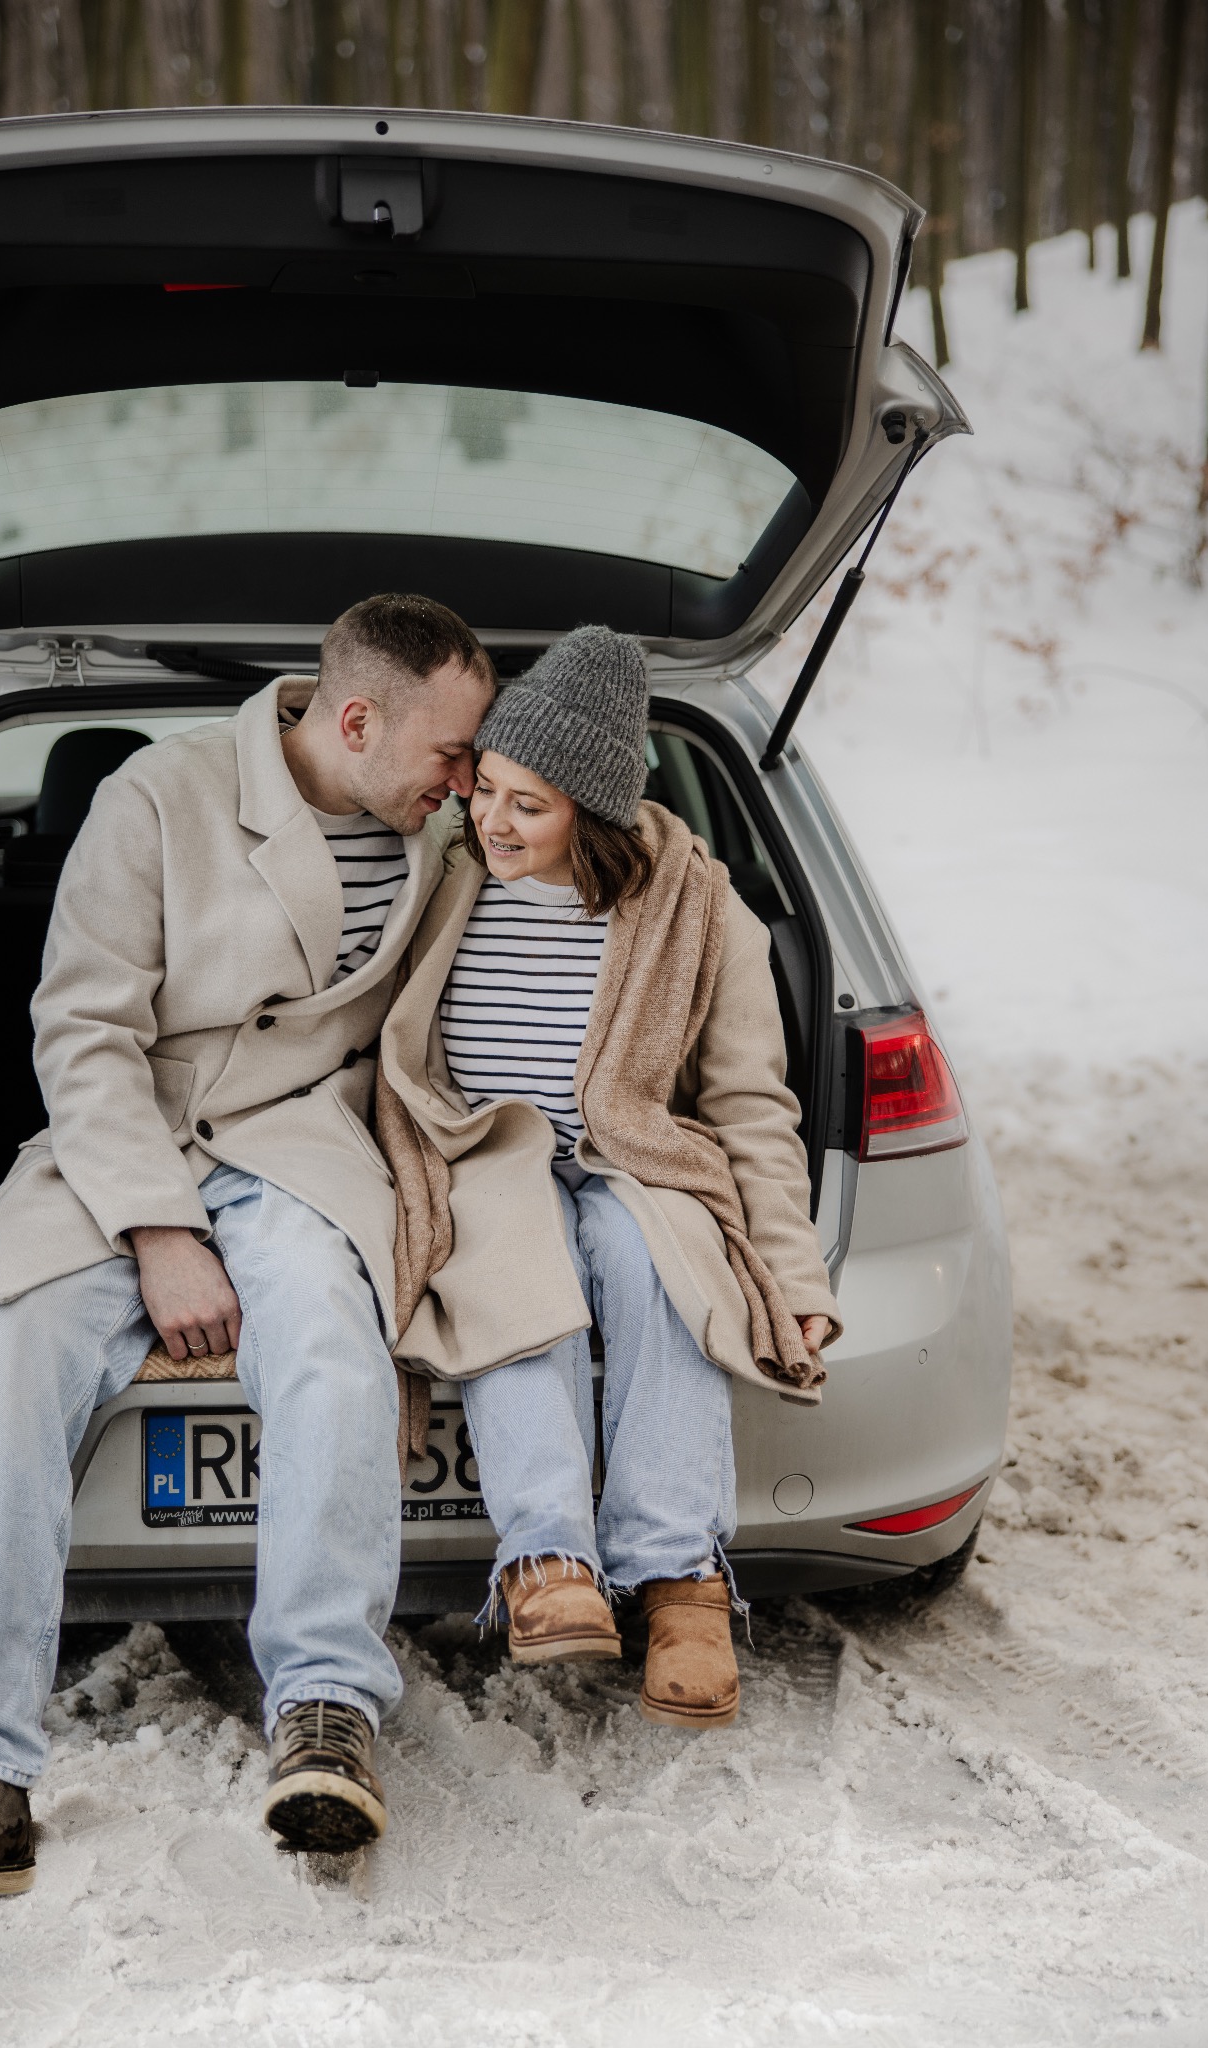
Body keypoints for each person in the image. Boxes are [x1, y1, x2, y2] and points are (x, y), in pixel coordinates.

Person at [0, 594, 495, 1907]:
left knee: (330, 1338)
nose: (464, 779)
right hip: (122, 1143)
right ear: (358, 717)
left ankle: (326, 1711)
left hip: (302, 1146)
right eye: (449, 750)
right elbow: (83, 1034)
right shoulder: (158, 797)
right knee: (11, 1344)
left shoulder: (441, 838)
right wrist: (160, 1229)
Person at [375, 626, 840, 1729]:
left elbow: (748, 1106)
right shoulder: (438, 872)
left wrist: (795, 1274)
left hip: (634, 1163)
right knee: (516, 1263)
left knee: (652, 1260)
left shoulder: (702, 913)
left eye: (525, 805)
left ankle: (680, 1580)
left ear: (594, 810)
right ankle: (546, 1557)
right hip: (483, 1156)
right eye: (483, 787)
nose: (490, 819)